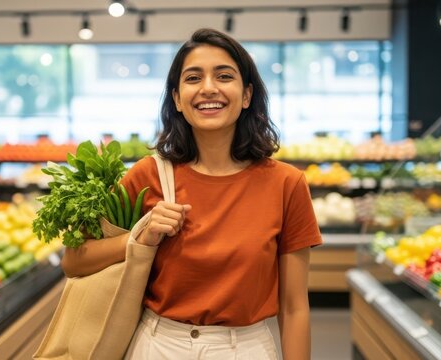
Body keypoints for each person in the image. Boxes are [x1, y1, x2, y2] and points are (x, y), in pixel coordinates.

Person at [61, 28, 322, 360]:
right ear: (177, 99)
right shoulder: (147, 175)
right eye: (193, 78)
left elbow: (295, 307)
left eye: (224, 76)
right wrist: (141, 235)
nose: (208, 88)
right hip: (157, 345)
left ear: (246, 95)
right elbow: (74, 260)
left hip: (246, 348)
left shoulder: (286, 184)